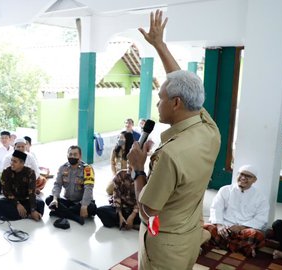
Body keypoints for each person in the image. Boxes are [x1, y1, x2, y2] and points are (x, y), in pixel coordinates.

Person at [126, 10, 221, 269]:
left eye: (161, 97)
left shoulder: (170, 154)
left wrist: (137, 169)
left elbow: (147, 213)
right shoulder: (209, 129)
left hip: (164, 249)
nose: (157, 103)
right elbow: (183, 84)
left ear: (176, 103)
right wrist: (159, 45)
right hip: (188, 237)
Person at [203, 165, 269, 257]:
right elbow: (216, 208)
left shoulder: (261, 197)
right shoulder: (225, 190)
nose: (243, 178)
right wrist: (219, 225)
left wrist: (241, 227)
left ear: (254, 180)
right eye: (241, 174)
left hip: (245, 229)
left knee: (256, 235)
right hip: (224, 227)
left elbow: (261, 218)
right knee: (205, 227)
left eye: (248, 176)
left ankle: (222, 244)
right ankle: (240, 247)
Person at [46, 146, 96, 225]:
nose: (72, 156)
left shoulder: (87, 169)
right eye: (70, 154)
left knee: (92, 208)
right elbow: (57, 185)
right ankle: (74, 217)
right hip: (67, 201)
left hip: (80, 202)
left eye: (75, 154)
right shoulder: (62, 168)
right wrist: (55, 199)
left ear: (80, 156)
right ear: (67, 156)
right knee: (49, 199)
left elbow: (88, 188)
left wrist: (84, 206)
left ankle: (61, 213)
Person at [0, 150, 44, 221]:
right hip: (12, 200)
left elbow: (31, 192)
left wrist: (33, 209)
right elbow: (6, 191)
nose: (11, 163)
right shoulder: (6, 172)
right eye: (11, 161)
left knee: (40, 203)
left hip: (26, 199)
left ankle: (25, 214)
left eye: (15, 162)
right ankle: (28, 215)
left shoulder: (30, 173)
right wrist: (17, 204)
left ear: (22, 163)